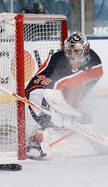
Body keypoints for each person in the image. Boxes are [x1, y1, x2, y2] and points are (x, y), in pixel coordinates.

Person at [25, 31, 103, 160]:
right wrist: (53, 109)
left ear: (86, 50)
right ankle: (36, 143)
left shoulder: (94, 62)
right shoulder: (58, 62)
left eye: (76, 51)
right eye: (69, 51)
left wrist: (74, 109)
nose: (72, 55)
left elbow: (82, 88)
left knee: (84, 120)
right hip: (41, 100)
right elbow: (35, 90)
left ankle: (84, 141)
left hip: (62, 98)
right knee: (55, 125)